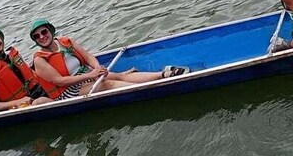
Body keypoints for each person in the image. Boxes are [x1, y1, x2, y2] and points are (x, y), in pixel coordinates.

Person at [29, 19, 188, 100]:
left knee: (119, 76)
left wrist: (98, 68)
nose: (42, 37)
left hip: (85, 75)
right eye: (37, 36)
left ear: (50, 31)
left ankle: (164, 74)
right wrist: (91, 75)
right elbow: (60, 81)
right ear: (35, 40)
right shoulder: (39, 60)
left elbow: (88, 57)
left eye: (44, 32)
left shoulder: (64, 41)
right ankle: (150, 89)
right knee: (107, 83)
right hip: (68, 91)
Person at [0, 27, 54, 112]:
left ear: (2, 39)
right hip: (25, 105)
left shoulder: (14, 55)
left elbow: (30, 72)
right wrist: (18, 102)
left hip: (39, 91)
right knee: (39, 102)